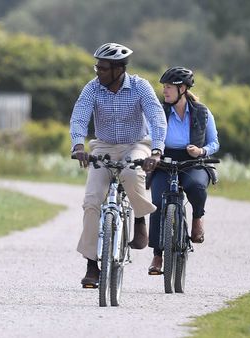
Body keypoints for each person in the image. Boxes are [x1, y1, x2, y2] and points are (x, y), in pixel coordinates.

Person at [70, 42, 167, 288]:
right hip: (103, 146)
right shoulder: (92, 88)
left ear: (119, 70)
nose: (98, 72)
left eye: (103, 68)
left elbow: (157, 118)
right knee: (92, 200)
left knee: (131, 174)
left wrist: (156, 151)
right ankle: (92, 265)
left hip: (136, 143)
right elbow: (79, 115)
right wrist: (78, 146)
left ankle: (140, 220)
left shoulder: (139, 86)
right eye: (97, 67)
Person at [147, 66, 219, 275]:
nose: (164, 91)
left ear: (183, 89)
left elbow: (214, 142)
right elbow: (150, 134)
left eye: (169, 87)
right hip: (165, 161)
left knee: (196, 186)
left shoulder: (202, 112)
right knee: (158, 203)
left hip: (193, 161)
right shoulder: (160, 112)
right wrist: (153, 153)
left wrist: (201, 150)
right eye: (164, 87)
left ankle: (197, 218)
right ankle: (157, 255)